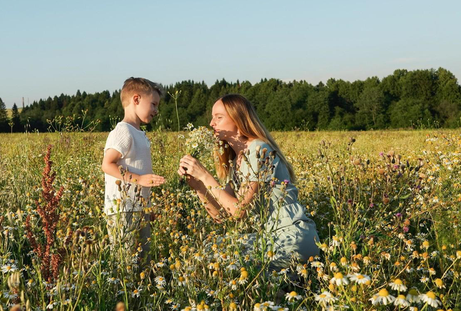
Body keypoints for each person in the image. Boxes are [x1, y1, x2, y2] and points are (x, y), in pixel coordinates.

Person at [178, 94, 320, 270]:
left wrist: (206, 176)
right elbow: (222, 217)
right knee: (208, 250)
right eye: (212, 117)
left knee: (225, 262)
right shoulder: (235, 160)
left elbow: (239, 212)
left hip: (291, 237)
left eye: (218, 117)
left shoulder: (259, 149)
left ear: (238, 120)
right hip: (269, 237)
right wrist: (198, 185)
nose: (211, 123)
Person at [101, 77, 166, 262]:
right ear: (136, 99)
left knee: (143, 261)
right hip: (123, 209)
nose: (156, 110)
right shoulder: (123, 131)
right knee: (126, 262)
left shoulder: (138, 133)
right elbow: (107, 164)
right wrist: (140, 179)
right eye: (153, 104)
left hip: (138, 208)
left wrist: (147, 206)